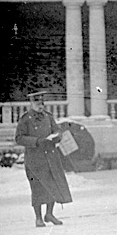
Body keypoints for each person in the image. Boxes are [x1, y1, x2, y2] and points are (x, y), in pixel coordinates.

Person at [14, 90, 73, 227]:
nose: (40, 106)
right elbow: (19, 138)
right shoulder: (25, 119)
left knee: (52, 185)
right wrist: (37, 141)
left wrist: (57, 136)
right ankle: (38, 218)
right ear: (31, 103)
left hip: (50, 157)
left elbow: (57, 130)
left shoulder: (48, 117)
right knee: (37, 188)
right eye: (37, 103)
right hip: (34, 160)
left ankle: (49, 214)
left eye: (42, 103)